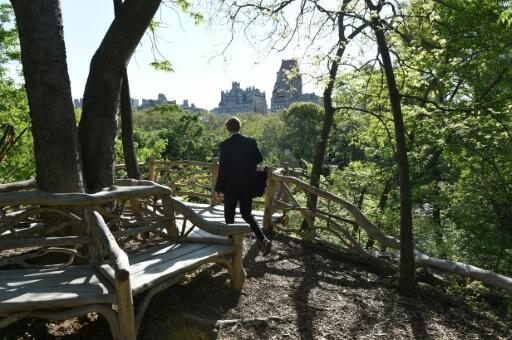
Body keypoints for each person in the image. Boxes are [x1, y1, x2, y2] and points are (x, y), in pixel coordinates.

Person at [214, 117, 272, 256]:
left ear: (228, 129)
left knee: (229, 214)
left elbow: (223, 169)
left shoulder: (225, 145)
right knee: (247, 214)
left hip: (231, 186)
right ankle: (263, 239)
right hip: (247, 184)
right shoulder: (250, 141)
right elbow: (259, 159)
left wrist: (217, 189)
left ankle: (231, 246)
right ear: (240, 127)